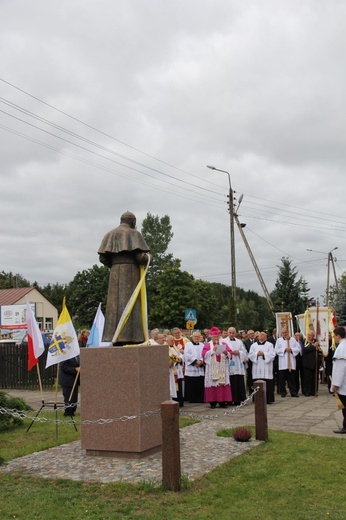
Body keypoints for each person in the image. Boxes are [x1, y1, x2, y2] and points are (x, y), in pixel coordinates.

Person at [98, 211, 150, 345]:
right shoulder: (134, 234)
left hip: (114, 272)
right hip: (130, 272)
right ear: (133, 221)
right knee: (131, 304)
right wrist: (149, 258)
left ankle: (113, 336)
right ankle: (131, 337)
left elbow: (102, 257)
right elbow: (141, 257)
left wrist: (114, 265)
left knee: (113, 306)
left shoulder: (109, 234)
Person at [202, 326, 232, 408]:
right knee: (213, 382)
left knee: (222, 383)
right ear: (211, 337)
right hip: (212, 367)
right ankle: (213, 401)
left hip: (222, 367)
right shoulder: (208, 345)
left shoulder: (224, 344)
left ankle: (223, 401)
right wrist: (212, 350)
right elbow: (204, 355)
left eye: (217, 336)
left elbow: (230, 353)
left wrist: (226, 353)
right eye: (214, 336)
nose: (216, 338)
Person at [249, 331, 276, 404]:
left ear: (266, 337)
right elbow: (250, 355)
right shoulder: (253, 345)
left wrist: (264, 354)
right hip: (257, 367)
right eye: (260, 334)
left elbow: (272, 355)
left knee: (267, 382)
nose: (261, 335)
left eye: (263, 334)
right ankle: (257, 399)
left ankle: (268, 399)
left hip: (266, 366)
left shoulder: (270, 345)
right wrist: (256, 354)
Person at [222, 327, 247, 405]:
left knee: (238, 381)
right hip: (228, 364)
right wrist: (228, 353)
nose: (232, 334)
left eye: (233, 333)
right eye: (230, 333)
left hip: (238, 364)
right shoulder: (223, 341)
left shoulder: (239, 341)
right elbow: (221, 352)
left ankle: (239, 399)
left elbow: (244, 351)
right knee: (230, 381)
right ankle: (229, 399)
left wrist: (239, 352)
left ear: (235, 333)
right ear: (228, 333)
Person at [275, 328, 301, 397]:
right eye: (283, 333)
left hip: (291, 362)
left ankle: (293, 392)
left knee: (292, 378)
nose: (284, 334)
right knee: (282, 379)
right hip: (283, 362)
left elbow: (298, 348)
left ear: (288, 332)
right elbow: (276, 350)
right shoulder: (279, 340)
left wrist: (291, 349)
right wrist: (284, 349)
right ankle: (283, 392)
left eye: (285, 332)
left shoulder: (293, 340)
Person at [332, 327, 346, 434]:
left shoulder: (341, 348)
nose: (334, 338)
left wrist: (335, 384)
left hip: (343, 383)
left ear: (338, 336)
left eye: (334, 336)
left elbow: (339, 367)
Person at [184, 331, 205, 403]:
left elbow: (204, 354)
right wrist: (195, 361)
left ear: (200, 337)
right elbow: (187, 354)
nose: (196, 338)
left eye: (198, 337)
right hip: (192, 367)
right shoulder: (188, 345)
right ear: (192, 337)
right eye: (195, 336)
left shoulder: (202, 345)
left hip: (200, 367)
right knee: (191, 384)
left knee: (200, 383)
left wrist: (201, 361)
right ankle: (192, 398)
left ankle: (200, 398)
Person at [301, 331, 321, 396]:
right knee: (307, 378)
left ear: (313, 336)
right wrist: (313, 346)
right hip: (307, 363)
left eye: (311, 335)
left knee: (314, 378)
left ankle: (314, 391)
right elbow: (304, 350)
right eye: (308, 335)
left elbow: (321, 350)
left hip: (315, 363)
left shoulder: (317, 341)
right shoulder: (305, 341)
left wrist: (318, 348)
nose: (309, 337)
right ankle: (307, 391)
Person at [167, 334, 184, 406]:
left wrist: (180, 358)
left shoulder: (175, 347)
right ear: (167, 341)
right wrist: (176, 360)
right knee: (174, 386)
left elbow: (180, 354)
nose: (173, 342)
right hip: (173, 370)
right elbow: (170, 356)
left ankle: (180, 401)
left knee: (179, 385)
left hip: (177, 370)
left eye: (173, 340)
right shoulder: (166, 348)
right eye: (171, 340)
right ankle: (174, 400)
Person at [243, 329, 256, 395]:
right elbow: (245, 352)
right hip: (249, 362)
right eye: (250, 334)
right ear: (248, 335)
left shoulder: (257, 341)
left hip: (256, 362)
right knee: (250, 376)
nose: (252, 335)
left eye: (253, 333)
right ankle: (251, 390)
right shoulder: (245, 342)